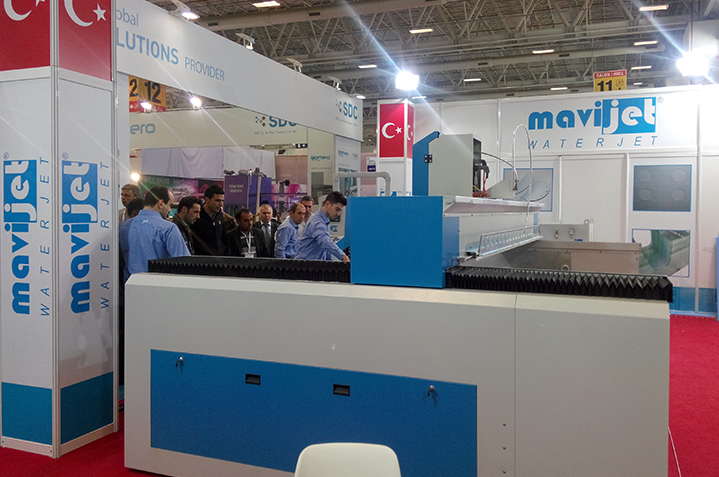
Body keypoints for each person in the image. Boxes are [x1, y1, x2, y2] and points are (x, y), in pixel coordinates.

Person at [120, 185, 190, 277]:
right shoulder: (168, 228)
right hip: (159, 283)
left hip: (129, 283)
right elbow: (185, 264)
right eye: (169, 205)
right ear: (161, 203)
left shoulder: (124, 227)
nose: (169, 209)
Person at [296, 191, 350, 262]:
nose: (338, 214)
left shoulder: (324, 220)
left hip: (314, 264)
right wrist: (343, 257)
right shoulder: (317, 222)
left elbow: (325, 249)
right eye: (337, 209)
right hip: (306, 265)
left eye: (340, 211)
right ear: (327, 204)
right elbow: (324, 241)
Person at [191, 185, 228, 256]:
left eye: (222, 201)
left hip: (219, 258)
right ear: (207, 200)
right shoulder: (197, 216)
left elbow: (224, 238)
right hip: (202, 259)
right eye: (217, 200)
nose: (221, 204)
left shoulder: (219, 215)